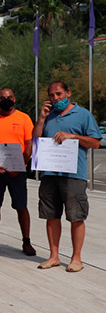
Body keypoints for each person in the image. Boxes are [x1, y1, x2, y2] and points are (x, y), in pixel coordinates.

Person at [32, 81, 102, 272]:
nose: (55, 99)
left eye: (59, 94)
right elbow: (36, 141)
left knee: (76, 217)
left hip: (74, 175)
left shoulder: (83, 115)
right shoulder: (48, 116)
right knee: (51, 216)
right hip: (49, 173)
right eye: (52, 95)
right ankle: (54, 256)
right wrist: (41, 118)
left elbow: (95, 143)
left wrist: (74, 137)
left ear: (68, 93)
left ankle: (76, 259)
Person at [0, 88, 35, 256]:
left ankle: (26, 242)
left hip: (17, 172)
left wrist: (20, 166)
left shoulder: (24, 118)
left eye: (9, 97)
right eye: (3, 98)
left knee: (21, 206)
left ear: (15, 99)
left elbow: (29, 146)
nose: (7, 100)